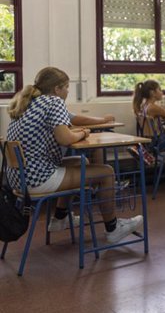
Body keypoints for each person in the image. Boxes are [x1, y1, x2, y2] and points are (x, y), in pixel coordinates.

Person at [7, 68, 142, 242]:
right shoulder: (53, 101)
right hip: (38, 179)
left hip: (18, 179)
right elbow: (64, 138)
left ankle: (60, 218)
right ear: (57, 89)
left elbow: (62, 130)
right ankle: (113, 228)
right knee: (106, 172)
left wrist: (76, 132)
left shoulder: (28, 103)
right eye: (66, 87)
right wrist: (83, 133)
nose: (68, 91)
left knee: (81, 161)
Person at [132, 80, 165, 152]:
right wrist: (163, 111)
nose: (162, 92)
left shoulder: (144, 106)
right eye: (159, 89)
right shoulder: (153, 107)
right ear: (153, 93)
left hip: (151, 142)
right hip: (160, 143)